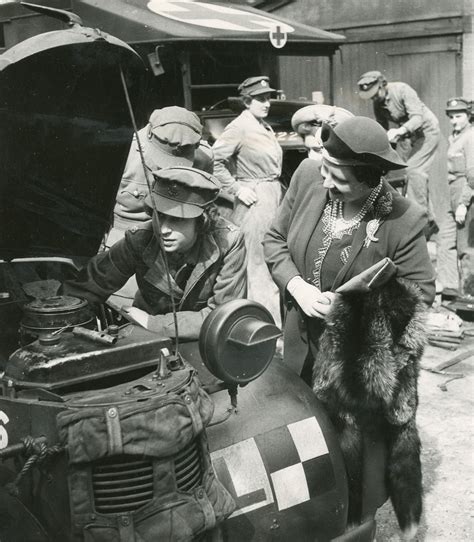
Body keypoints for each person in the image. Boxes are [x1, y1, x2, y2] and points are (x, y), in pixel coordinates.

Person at [263, 116, 435, 540]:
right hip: (301, 348)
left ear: (369, 179)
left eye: (337, 177)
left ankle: (354, 528)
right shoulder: (307, 176)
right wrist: (297, 286)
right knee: (298, 443)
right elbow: (273, 240)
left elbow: (420, 294)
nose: (323, 177)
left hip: (355, 366)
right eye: (323, 165)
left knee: (353, 457)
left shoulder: (403, 218)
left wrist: (349, 308)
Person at [62, 167, 247, 340]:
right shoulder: (141, 238)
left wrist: (152, 323)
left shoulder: (228, 242)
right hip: (145, 336)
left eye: (177, 220)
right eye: (159, 216)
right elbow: (88, 287)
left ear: (202, 221)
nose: (164, 229)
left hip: (202, 340)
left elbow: (223, 316)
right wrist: (59, 318)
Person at [212, 76, 283, 327]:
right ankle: (265, 329)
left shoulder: (262, 125)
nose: (267, 103)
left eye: (268, 97)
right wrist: (236, 189)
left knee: (273, 257)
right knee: (259, 265)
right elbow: (214, 160)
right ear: (246, 101)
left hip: (272, 195)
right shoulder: (240, 126)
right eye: (260, 99)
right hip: (255, 200)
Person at [357, 70, 440, 234]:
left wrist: (400, 131)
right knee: (407, 175)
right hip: (408, 136)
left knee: (415, 170)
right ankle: (429, 219)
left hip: (426, 131)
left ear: (382, 85)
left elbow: (417, 118)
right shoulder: (377, 103)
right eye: (370, 97)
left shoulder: (402, 90)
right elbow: (382, 127)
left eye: (375, 94)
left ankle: (421, 220)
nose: (374, 99)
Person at [437, 97, 474, 298]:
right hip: (452, 193)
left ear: (469, 116)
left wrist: (463, 203)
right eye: (451, 117)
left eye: (459, 116)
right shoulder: (455, 137)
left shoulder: (471, 137)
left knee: (466, 247)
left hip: (467, 193)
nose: (454, 120)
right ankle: (450, 290)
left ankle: (470, 295)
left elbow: (473, 173)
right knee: (445, 241)